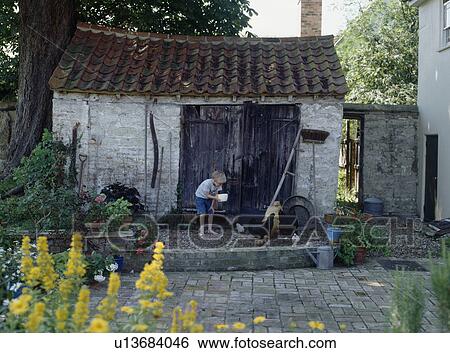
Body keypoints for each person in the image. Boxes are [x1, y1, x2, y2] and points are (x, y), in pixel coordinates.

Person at [195, 170, 226, 236]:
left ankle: (210, 229)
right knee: (202, 214)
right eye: (220, 183)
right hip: (200, 197)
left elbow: (215, 195)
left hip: (209, 198)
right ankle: (202, 230)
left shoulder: (219, 185)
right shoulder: (207, 183)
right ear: (214, 180)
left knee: (211, 213)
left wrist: (212, 206)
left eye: (221, 184)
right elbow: (207, 195)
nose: (221, 185)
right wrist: (216, 198)